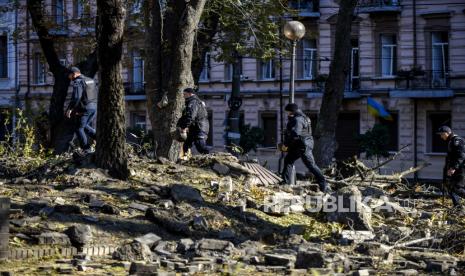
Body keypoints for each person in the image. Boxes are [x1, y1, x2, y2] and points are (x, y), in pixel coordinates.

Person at [281, 103, 329, 192]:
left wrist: (286, 144)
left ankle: (324, 184)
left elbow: (295, 134)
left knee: (311, 165)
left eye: (287, 112)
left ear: (291, 111)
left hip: (303, 146)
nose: (287, 114)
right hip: (300, 144)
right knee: (288, 160)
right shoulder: (303, 117)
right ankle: (285, 183)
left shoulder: (298, 119)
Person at [65, 67, 97, 153]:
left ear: (74, 74)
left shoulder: (78, 82)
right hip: (93, 107)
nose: (69, 78)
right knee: (84, 126)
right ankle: (100, 139)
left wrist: (70, 109)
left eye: (69, 75)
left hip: (84, 109)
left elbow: (76, 97)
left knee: (79, 128)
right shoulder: (91, 80)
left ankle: (86, 149)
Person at [438, 126, 465, 208]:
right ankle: (457, 207)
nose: (441, 137)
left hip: (460, 168)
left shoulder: (457, 141)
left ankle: (458, 206)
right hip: (454, 168)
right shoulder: (451, 141)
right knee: (450, 186)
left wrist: (453, 168)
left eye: (441, 135)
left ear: (446, 133)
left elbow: (461, 156)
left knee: (457, 188)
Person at [177, 88, 210, 155]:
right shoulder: (191, 102)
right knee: (186, 145)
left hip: (200, 127)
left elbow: (191, 116)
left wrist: (183, 127)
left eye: (185, 94)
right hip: (194, 128)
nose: (183, 96)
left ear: (190, 94)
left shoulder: (193, 102)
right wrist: (179, 125)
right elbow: (185, 116)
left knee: (200, 145)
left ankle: (209, 158)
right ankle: (185, 159)